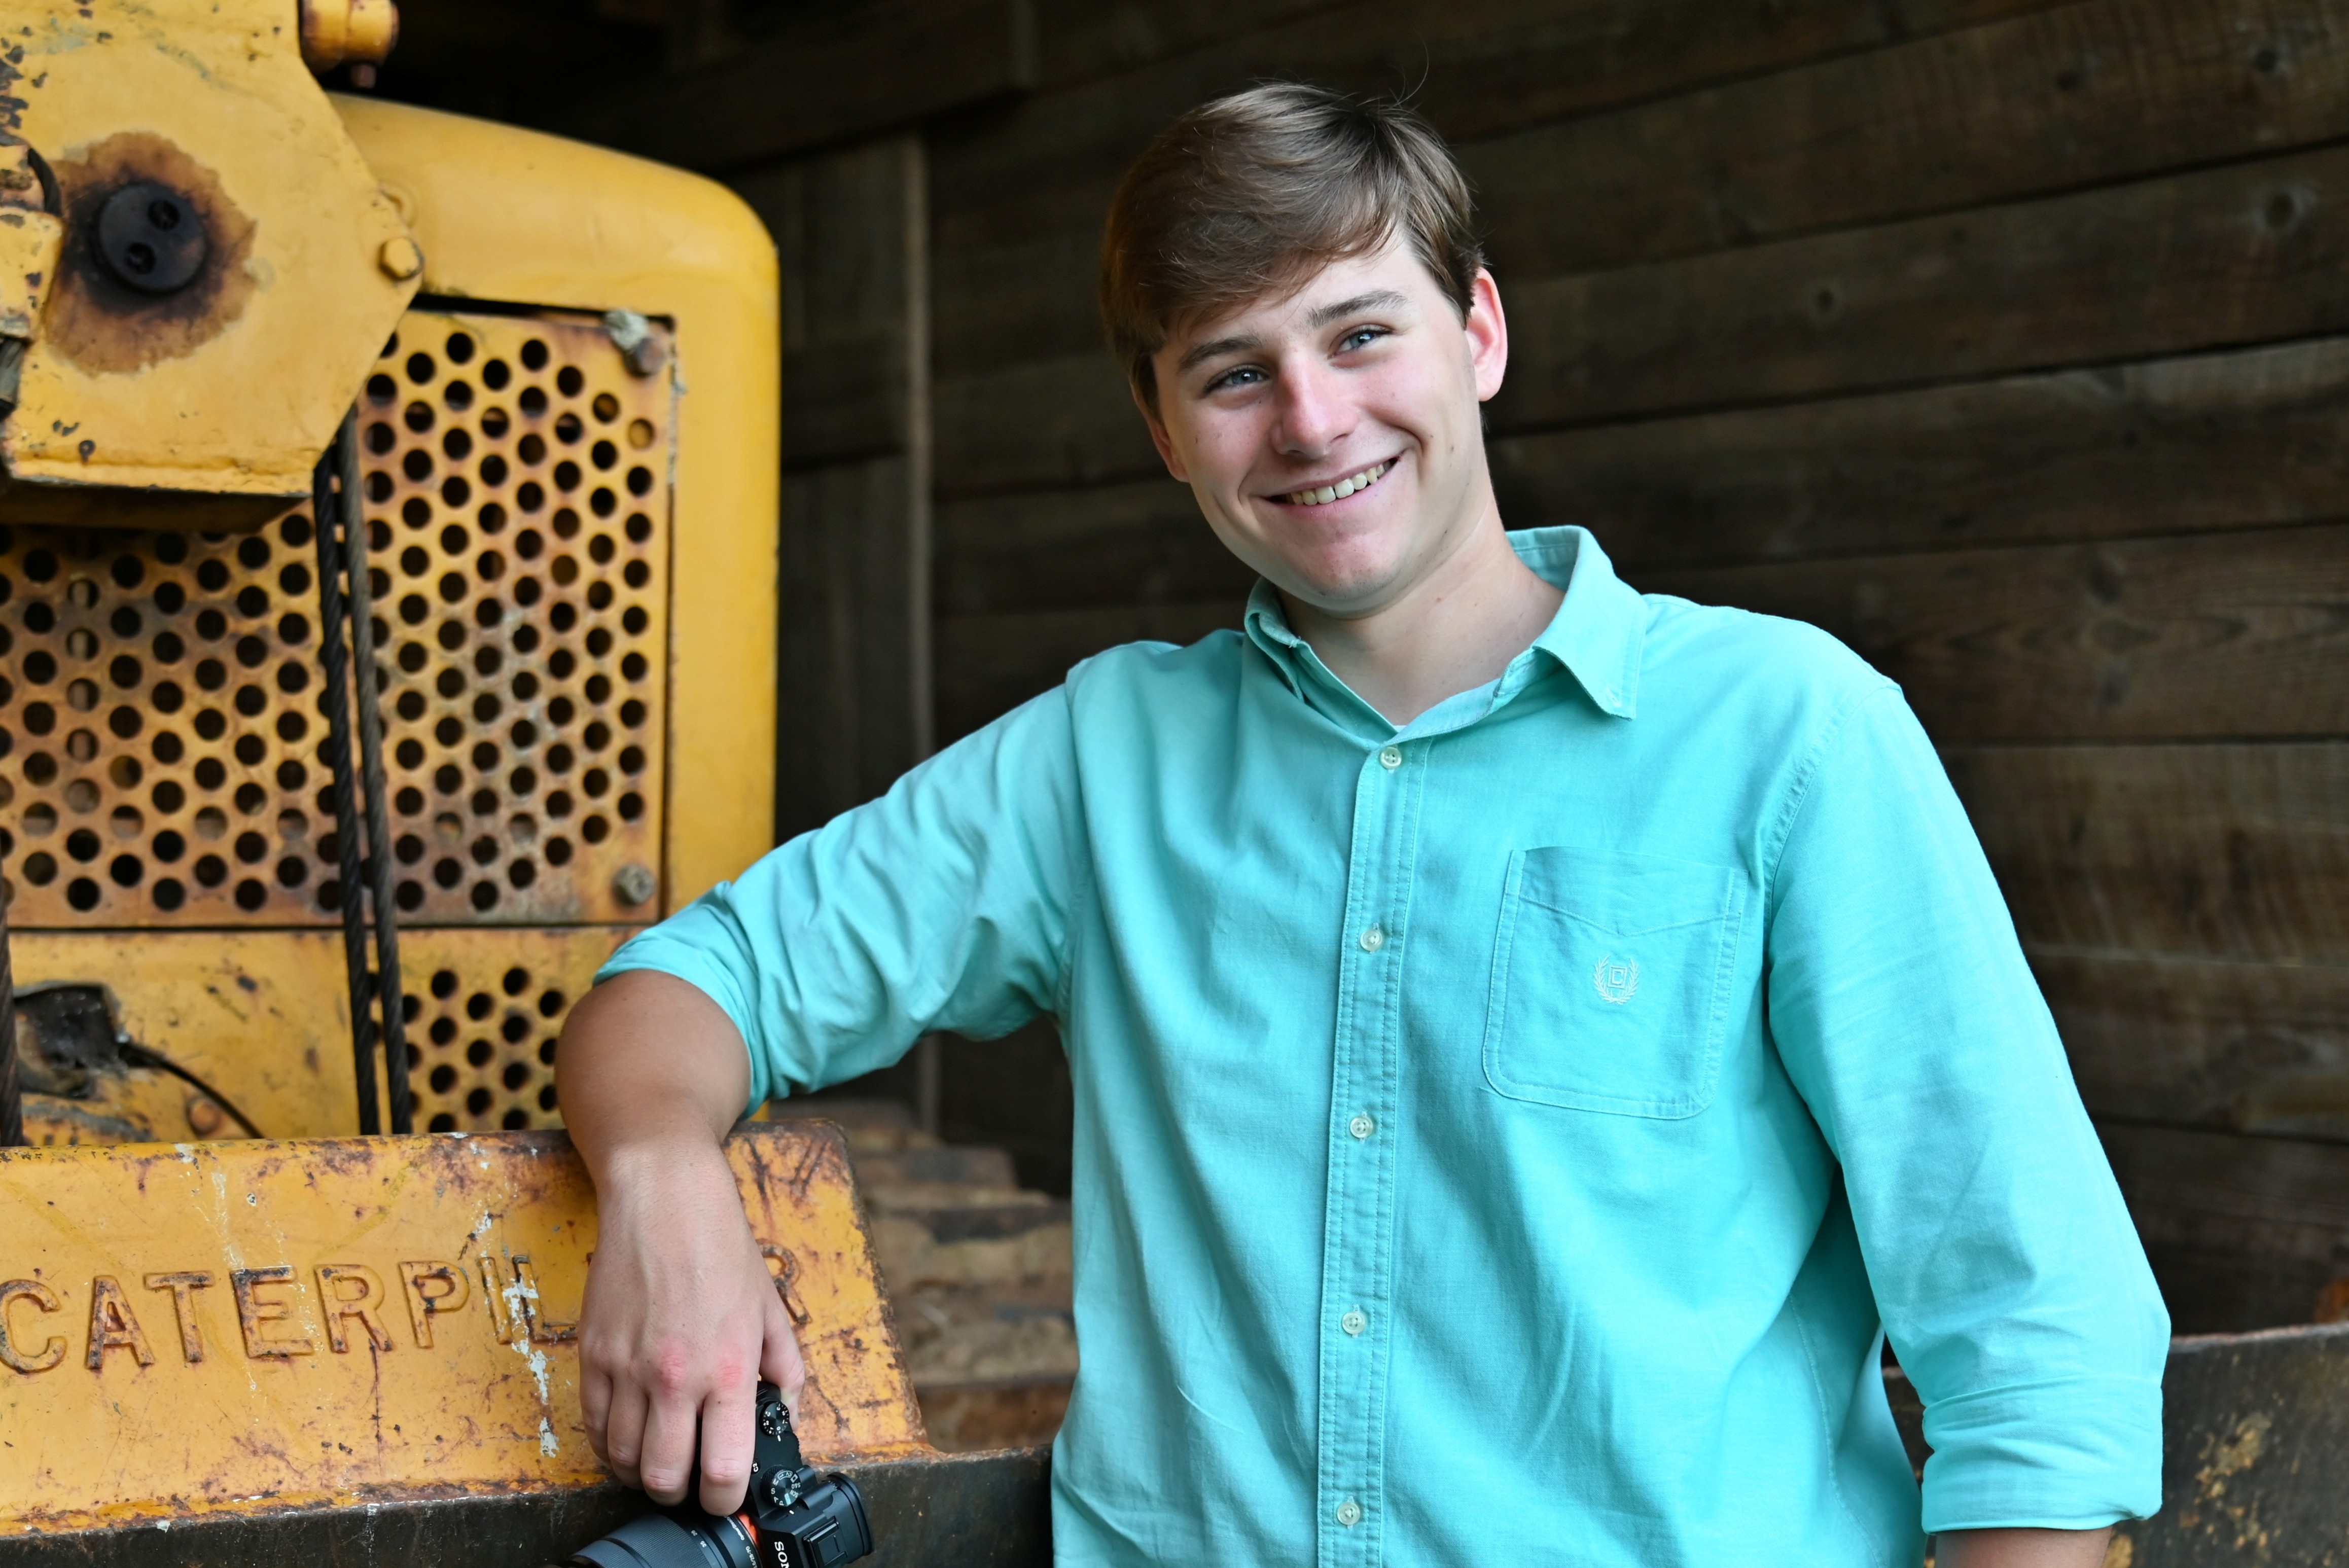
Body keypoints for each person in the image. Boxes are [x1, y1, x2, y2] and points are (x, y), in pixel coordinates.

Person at [557, 83, 2166, 1567]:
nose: (1314, 422)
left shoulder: (1786, 733)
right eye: (1235, 371)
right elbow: (688, 986)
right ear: (1161, 425)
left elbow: (2034, 1329)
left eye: (1360, 334)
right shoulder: (1100, 761)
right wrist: (662, 1177)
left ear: (1479, 330)